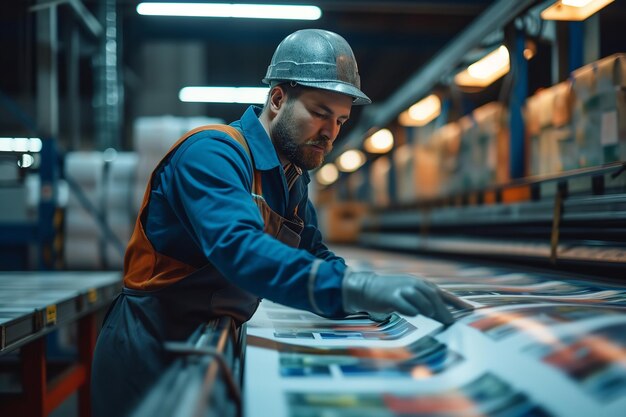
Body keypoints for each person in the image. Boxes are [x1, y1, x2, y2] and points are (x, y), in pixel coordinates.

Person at [91, 29, 453, 417]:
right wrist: (352, 287)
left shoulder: (291, 177)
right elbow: (240, 250)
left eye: (341, 120)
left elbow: (312, 250)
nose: (330, 132)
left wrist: (364, 299)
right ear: (278, 99)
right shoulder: (212, 153)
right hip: (151, 345)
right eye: (320, 113)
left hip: (207, 336)